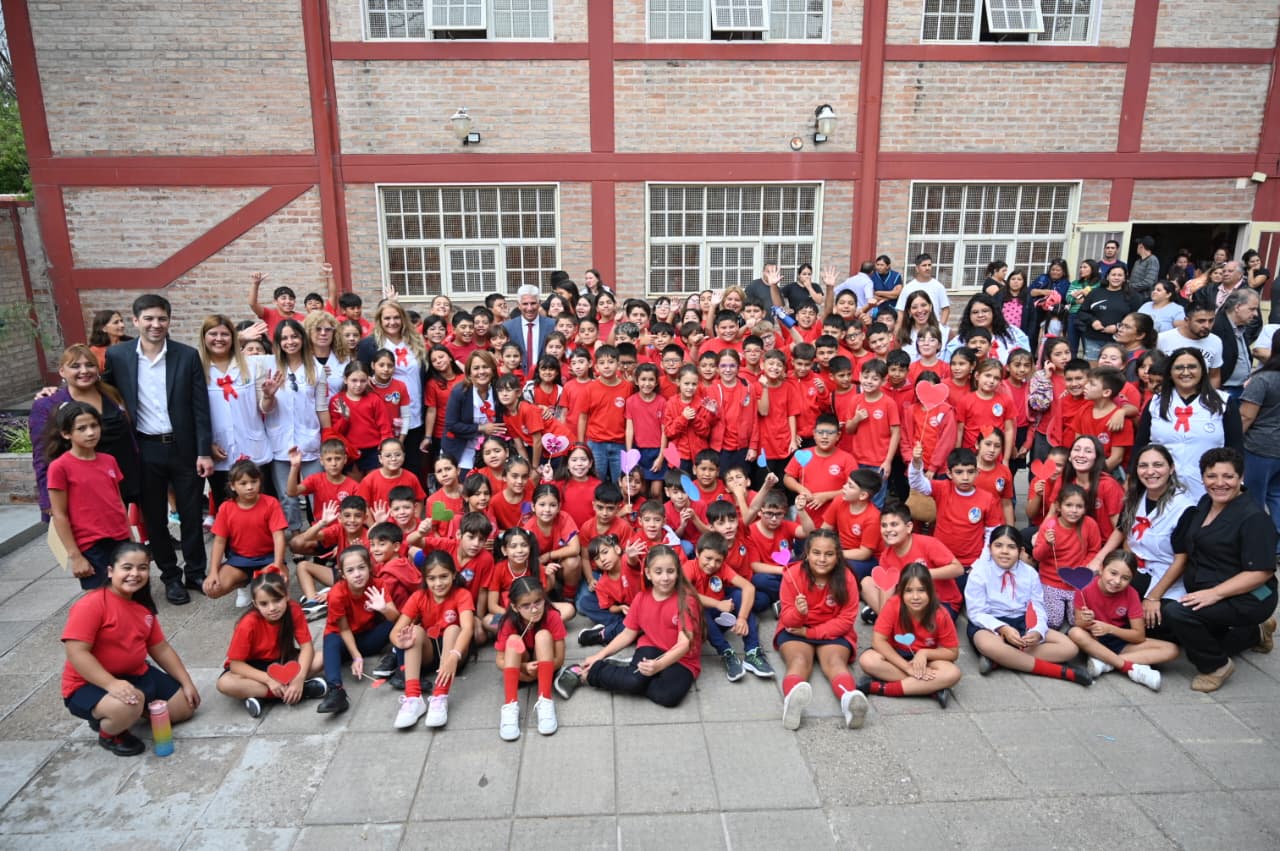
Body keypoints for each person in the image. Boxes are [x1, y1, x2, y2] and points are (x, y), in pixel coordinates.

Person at [103, 294, 213, 606]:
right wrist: (56, 395)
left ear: (169, 320)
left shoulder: (186, 356)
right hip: (144, 450)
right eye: (149, 319)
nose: (156, 324)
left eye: (161, 318)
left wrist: (203, 451)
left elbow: (200, 407)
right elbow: (100, 390)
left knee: (191, 514)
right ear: (135, 321)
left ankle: (195, 572)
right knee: (154, 519)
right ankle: (170, 576)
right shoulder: (118, 356)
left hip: (183, 448)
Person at [61, 542, 200, 756]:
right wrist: (111, 684)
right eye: (127, 567)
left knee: (184, 708)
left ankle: (125, 711)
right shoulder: (91, 604)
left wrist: (186, 682)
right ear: (110, 571)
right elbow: (76, 652)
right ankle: (109, 732)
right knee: (128, 705)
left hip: (136, 673)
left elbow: (160, 648)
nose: (135, 574)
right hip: (88, 683)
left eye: (142, 568)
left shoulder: (142, 606)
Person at [1163, 448, 1278, 692]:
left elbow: (1261, 572)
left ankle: (1216, 666)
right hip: (1211, 585)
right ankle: (1256, 632)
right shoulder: (1206, 502)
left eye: (1228, 476)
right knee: (1179, 637)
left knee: (1178, 614)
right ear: (1203, 478)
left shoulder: (1254, 518)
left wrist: (1214, 594)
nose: (1219, 483)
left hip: (1249, 596)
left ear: (1241, 478)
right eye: (1211, 476)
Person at [572, 545, 701, 708]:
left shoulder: (686, 601)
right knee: (633, 681)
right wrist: (599, 656)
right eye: (658, 572)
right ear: (648, 573)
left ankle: (628, 674)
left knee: (667, 696)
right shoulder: (641, 598)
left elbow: (684, 643)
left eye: (670, 571)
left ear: (677, 572)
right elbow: (627, 634)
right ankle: (592, 673)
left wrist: (658, 666)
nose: (665, 577)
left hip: (683, 659)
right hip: (652, 646)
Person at [964, 527, 1093, 685]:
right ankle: (1063, 672)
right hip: (990, 624)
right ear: (990, 548)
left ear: (1020, 551)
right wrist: (1003, 628)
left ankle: (1001, 660)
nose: (1004, 551)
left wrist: (1037, 630)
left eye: (1011, 547)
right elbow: (976, 613)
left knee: (1070, 648)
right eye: (998, 546)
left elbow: (1037, 606)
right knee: (988, 644)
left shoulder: (1030, 573)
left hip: (1022, 621)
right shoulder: (979, 573)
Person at [31, 345, 141, 523]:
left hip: (125, 481)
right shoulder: (48, 405)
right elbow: (42, 455)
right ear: (62, 371)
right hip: (84, 489)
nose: (84, 371)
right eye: (75, 366)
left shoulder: (112, 394)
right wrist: (48, 501)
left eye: (89, 365)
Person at [773, 529, 869, 729]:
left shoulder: (847, 578)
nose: (822, 559)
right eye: (816, 553)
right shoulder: (793, 574)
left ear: (838, 556)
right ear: (807, 554)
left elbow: (846, 619)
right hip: (797, 630)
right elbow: (787, 619)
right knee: (799, 661)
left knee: (835, 662)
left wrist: (812, 633)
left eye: (829, 554)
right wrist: (799, 613)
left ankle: (849, 701)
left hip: (833, 631)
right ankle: (792, 702)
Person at [216, 569, 327, 718]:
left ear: (287, 596)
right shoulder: (247, 624)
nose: (272, 608)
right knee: (225, 684)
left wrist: (299, 678)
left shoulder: (294, 609)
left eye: (277, 600)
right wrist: (268, 680)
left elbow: (307, 647)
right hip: (253, 668)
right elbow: (236, 665)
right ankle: (302, 691)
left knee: (323, 657)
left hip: (283, 661)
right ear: (255, 604)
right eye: (264, 604)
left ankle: (260, 695)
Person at [1135, 347, 1240, 502]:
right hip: (1162, 487)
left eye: (1192, 367)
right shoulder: (1155, 403)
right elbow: (1140, 445)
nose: (1185, 372)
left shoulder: (1223, 402)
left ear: (1202, 370)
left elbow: (1235, 447)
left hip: (1210, 488)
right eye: (1179, 368)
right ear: (1170, 372)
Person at [46, 403, 132, 589]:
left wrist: (131, 540)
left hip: (120, 539)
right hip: (91, 545)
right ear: (66, 433)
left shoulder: (109, 461)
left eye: (94, 425)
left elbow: (118, 502)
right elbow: (59, 514)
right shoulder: (59, 467)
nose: (91, 433)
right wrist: (75, 556)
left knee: (131, 592)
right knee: (102, 597)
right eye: (82, 428)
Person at [1067, 551, 1176, 690]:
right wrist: (1087, 620)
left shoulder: (1131, 594)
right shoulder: (1084, 587)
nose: (1117, 581)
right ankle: (1126, 666)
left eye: (1125, 578)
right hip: (1094, 639)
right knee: (1075, 632)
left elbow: (1139, 636)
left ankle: (1106, 662)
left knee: (1171, 649)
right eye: (1113, 573)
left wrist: (1110, 629)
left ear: (1132, 579)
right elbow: (1079, 623)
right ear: (1101, 569)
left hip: (1119, 640)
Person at [390, 550, 475, 730]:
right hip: (429, 653)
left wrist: (454, 655)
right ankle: (413, 698)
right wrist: (400, 643)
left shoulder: (462, 594)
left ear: (453, 574)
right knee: (415, 631)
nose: (438, 583)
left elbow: (468, 628)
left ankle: (439, 697)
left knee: (453, 629)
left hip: (454, 654)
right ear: (425, 579)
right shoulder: (419, 597)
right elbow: (395, 631)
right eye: (432, 578)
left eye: (444, 576)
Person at [261, 318, 331, 532]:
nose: (290, 342)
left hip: (310, 439)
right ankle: (295, 534)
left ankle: (320, 534)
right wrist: (269, 395)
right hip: (280, 441)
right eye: (284, 338)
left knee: (317, 492)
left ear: (302, 338)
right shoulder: (270, 367)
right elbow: (265, 408)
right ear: (278, 342)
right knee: (287, 495)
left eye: (294, 336)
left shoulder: (316, 369)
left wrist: (329, 437)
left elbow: (321, 407)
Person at [858, 563, 961, 707]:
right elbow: (878, 641)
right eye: (909, 591)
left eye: (921, 590)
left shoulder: (940, 614)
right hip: (896, 655)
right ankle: (930, 689)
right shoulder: (893, 605)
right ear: (901, 592)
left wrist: (924, 653)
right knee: (867, 660)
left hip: (926, 661)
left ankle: (883, 688)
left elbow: (952, 652)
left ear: (930, 591)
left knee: (952, 673)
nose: (915, 597)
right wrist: (907, 668)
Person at [198, 315, 273, 514]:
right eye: (213, 334)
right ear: (204, 337)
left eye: (224, 334)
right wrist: (207, 444)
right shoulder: (198, 368)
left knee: (261, 507)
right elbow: (194, 412)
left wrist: (268, 396)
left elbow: (264, 407)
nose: (219, 339)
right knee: (227, 509)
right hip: (219, 451)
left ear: (233, 337)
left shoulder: (252, 365)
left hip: (253, 446)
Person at [317, 545, 399, 715]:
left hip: (367, 637)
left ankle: (398, 660)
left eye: (361, 568)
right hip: (342, 638)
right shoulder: (336, 594)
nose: (357, 574)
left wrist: (383, 609)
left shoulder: (378, 584)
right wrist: (356, 656)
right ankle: (336, 691)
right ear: (343, 574)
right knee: (331, 640)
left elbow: (395, 617)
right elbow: (344, 629)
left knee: (400, 622)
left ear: (369, 567)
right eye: (351, 570)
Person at [204, 460, 288, 606]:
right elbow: (219, 542)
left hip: (268, 558)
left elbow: (278, 536)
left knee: (278, 585)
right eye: (243, 483)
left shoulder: (271, 503)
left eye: (254, 481)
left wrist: (278, 563)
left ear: (260, 481)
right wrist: (213, 572)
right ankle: (245, 585)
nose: (249, 487)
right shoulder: (226, 508)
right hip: (239, 560)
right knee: (212, 589)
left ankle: (258, 582)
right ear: (233, 486)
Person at [495, 575, 565, 740]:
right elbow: (499, 661)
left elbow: (560, 658)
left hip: (546, 670)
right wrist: (524, 667)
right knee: (513, 640)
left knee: (543, 635)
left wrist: (541, 669)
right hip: (520, 672)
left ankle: (545, 700)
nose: (534, 610)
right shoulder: (508, 622)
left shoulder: (552, 616)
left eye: (538, 602)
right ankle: (510, 704)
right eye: (526, 606)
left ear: (544, 598)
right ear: (514, 607)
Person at [1240, 328, 1280, 545]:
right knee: (1277, 497)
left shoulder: (1263, 379)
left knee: (1253, 499)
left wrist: (1233, 444)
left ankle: (1255, 545)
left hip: (1259, 448)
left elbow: (1246, 416)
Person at [1210, 287, 1261, 400]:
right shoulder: (1217, 327)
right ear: (1237, 307)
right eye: (1252, 309)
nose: (1256, 314)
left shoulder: (1240, 328)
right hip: (1224, 390)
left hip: (1239, 388)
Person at [504, 284, 558, 378]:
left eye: (533, 303)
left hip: (545, 379)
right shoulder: (508, 327)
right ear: (518, 305)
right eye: (525, 304)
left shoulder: (552, 325)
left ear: (539, 303)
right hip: (516, 380)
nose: (529, 308)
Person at [894, 254, 950, 326]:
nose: (927, 268)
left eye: (929, 265)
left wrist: (940, 327)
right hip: (913, 327)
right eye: (924, 265)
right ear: (917, 268)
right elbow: (901, 311)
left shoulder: (939, 287)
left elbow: (946, 309)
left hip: (933, 327)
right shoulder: (908, 288)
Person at [1129, 236, 1159, 300]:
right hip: (1133, 295)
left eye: (1138, 245)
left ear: (1141, 246)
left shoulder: (1152, 260)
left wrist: (1129, 286)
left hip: (1144, 298)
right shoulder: (1137, 261)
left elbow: (1148, 283)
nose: (1137, 247)